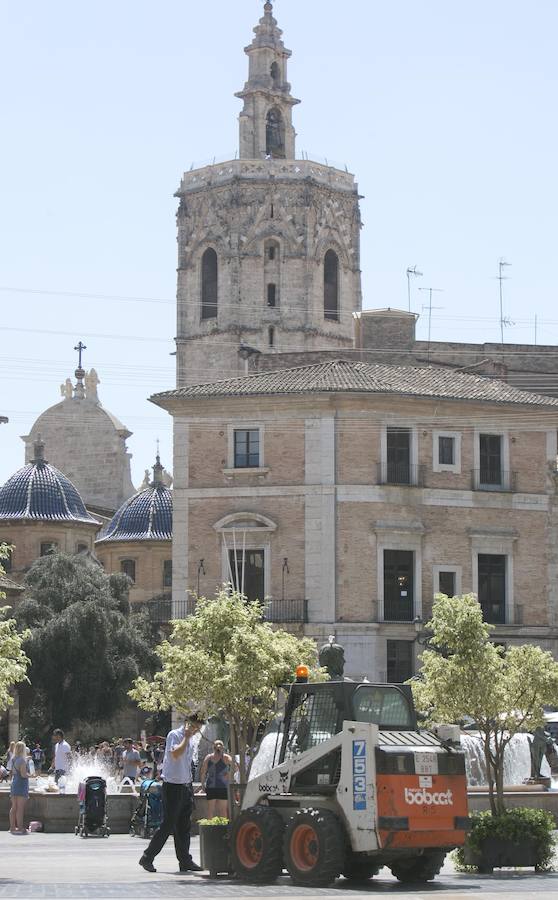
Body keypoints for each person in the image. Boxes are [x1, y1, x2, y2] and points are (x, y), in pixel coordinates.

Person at [139, 713, 203, 874]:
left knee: (184, 826)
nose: (196, 731)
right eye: (195, 727)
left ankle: (185, 861)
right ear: (188, 723)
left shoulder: (192, 739)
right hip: (172, 786)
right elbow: (175, 754)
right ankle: (147, 857)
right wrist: (186, 738)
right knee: (168, 824)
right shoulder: (175, 735)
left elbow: (187, 763)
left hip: (185, 785)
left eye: (199, 728)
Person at [198, 740, 234, 818]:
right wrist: (202, 785)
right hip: (212, 786)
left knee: (221, 810)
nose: (218, 749)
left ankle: (222, 828)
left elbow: (236, 766)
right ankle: (212, 828)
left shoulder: (225, 757)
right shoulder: (209, 757)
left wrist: (229, 774)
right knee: (212, 810)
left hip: (221, 787)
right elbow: (203, 772)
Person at [9, 741, 30, 834]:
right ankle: (20, 828)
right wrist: (31, 775)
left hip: (14, 783)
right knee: (20, 808)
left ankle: (12, 827)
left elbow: (14, 772)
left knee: (14, 807)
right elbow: (23, 775)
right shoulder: (22, 760)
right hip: (21, 784)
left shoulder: (13, 759)